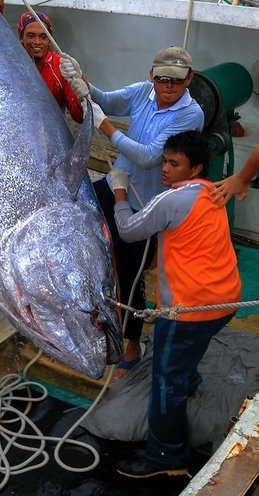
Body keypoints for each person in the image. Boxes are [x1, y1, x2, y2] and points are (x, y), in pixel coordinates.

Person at [59, 47, 205, 375]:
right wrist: (82, 81)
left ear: (190, 79)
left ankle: (132, 341)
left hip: (146, 201)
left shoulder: (190, 115)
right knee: (77, 223)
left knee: (131, 274)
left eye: (177, 81)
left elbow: (149, 157)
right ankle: (90, 313)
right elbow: (105, 100)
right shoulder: (142, 92)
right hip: (115, 184)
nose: (168, 86)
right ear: (150, 75)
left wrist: (106, 127)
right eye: (162, 78)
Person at [109, 131, 241, 478]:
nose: (164, 169)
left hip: (188, 311)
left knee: (166, 381)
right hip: (225, 302)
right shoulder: (213, 192)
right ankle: (189, 378)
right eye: (164, 161)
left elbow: (128, 230)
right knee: (184, 360)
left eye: (173, 163)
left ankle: (166, 459)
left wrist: (119, 190)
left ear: (194, 167)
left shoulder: (169, 201)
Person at [0, 0, 84, 123]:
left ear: (50, 41)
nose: (37, 42)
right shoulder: (11, 60)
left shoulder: (59, 66)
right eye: (30, 35)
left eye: (43, 37)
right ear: (21, 37)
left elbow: (78, 116)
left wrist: (84, 89)